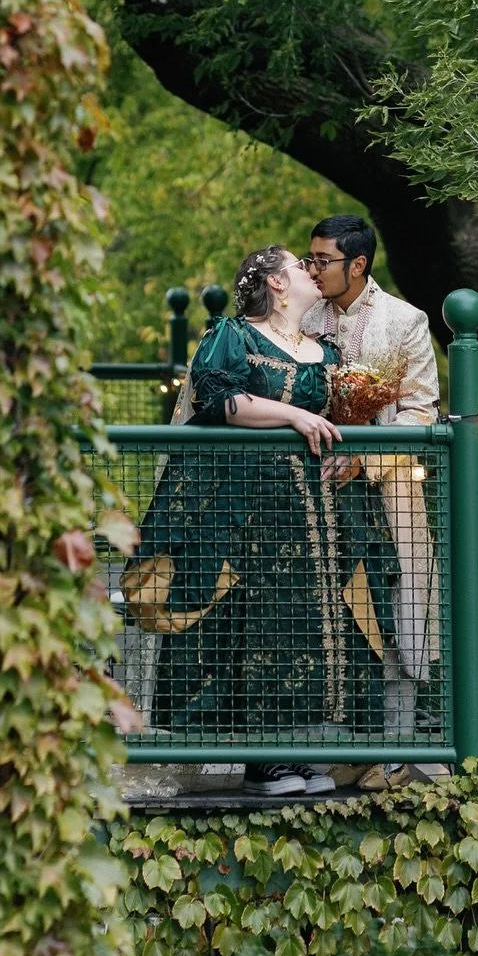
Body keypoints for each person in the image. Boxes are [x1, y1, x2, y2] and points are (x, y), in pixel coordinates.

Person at [121, 244, 349, 800]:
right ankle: (257, 756)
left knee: (301, 618)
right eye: (299, 266)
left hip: (309, 507)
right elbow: (221, 400)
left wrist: (350, 447)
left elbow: (340, 418)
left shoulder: (328, 350)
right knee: (250, 616)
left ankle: (294, 745)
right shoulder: (235, 335)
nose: (309, 272)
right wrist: (296, 414)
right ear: (274, 282)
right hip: (241, 501)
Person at [301, 214, 446, 788]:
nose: (312, 270)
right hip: (310, 493)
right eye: (308, 260)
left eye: (322, 261)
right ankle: (325, 749)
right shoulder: (301, 314)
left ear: (358, 265)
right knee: (318, 615)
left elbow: (421, 411)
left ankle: (396, 746)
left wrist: (364, 458)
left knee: (393, 615)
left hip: (387, 493)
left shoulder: (405, 321)